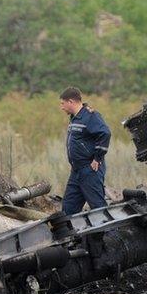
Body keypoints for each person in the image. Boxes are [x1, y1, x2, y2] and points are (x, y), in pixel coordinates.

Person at [59, 87, 111, 215]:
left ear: (71, 102)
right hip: (76, 171)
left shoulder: (90, 116)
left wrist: (97, 158)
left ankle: (109, 234)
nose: (61, 107)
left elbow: (105, 133)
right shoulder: (74, 117)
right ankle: (71, 235)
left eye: (62, 103)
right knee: (68, 208)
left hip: (90, 170)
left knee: (98, 208)